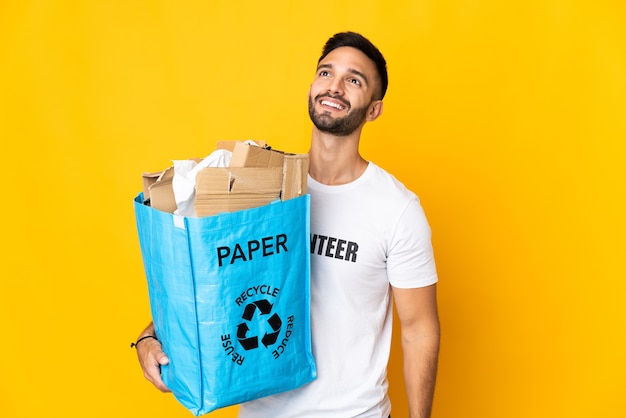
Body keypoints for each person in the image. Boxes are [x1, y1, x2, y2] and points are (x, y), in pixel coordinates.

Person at [134, 31, 440, 418]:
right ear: (312, 86)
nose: (335, 86)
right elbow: (212, 279)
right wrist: (150, 334)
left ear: (374, 109)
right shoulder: (262, 187)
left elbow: (419, 329)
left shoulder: (396, 209)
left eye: (354, 79)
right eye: (326, 72)